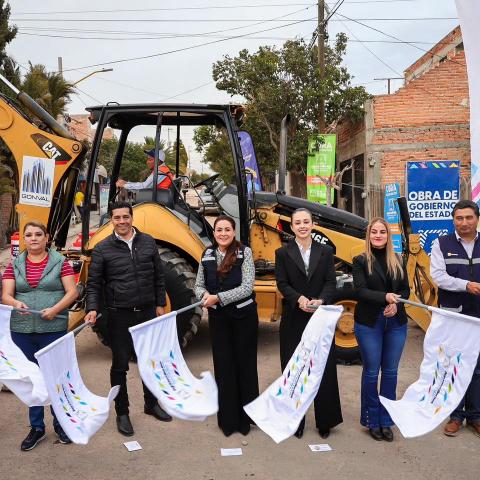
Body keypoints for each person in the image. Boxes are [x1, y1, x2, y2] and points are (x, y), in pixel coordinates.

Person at [84, 201, 172, 436]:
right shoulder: (103, 249)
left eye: (126, 217)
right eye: (117, 218)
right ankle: (122, 412)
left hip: (146, 312)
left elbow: (158, 276)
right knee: (120, 365)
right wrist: (92, 307)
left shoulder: (148, 242)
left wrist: (160, 303)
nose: (122, 221)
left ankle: (151, 404)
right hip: (118, 314)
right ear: (111, 220)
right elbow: (93, 284)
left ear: (132, 218)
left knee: (149, 362)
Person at [1, 221, 78, 451]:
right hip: (22, 330)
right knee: (32, 379)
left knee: (55, 377)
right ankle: (36, 428)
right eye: (29, 235)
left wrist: (55, 310)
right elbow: (6, 295)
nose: (33, 238)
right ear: (24, 239)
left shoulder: (60, 262)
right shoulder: (14, 265)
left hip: (52, 329)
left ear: (47, 237)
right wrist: (16, 303)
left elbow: (72, 291)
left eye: (38, 234)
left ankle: (61, 423)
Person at [275, 208, 342, 439]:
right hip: (294, 317)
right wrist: (298, 299)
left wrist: (321, 300)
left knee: (322, 367)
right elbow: (282, 284)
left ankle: (326, 420)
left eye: (306, 222)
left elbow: (331, 283)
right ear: (291, 227)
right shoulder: (282, 253)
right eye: (298, 222)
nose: (302, 226)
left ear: (312, 225)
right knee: (294, 369)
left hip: (320, 317)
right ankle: (296, 420)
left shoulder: (325, 252)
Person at [194, 215, 259, 436]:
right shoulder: (207, 254)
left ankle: (246, 419)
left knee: (245, 365)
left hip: (244, 318)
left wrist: (218, 298)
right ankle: (228, 420)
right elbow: (198, 285)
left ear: (234, 232)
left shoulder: (245, 253)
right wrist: (203, 295)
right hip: (219, 320)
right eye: (219, 230)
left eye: (227, 229)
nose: (223, 233)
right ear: (214, 233)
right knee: (224, 367)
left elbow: (247, 287)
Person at [352, 217, 409, 442]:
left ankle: (386, 421)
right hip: (369, 323)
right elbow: (359, 291)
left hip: (396, 323)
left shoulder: (398, 259)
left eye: (382, 232)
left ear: (388, 235)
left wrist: (396, 303)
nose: (378, 235)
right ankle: (371, 419)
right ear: (369, 235)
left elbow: (405, 290)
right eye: (374, 232)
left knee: (391, 373)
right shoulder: (360, 260)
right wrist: (384, 298)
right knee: (372, 372)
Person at [430, 199, 480, 438]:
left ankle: (476, 415)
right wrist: (466, 285)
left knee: (478, 367)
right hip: (454, 314)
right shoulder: (441, 244)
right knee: (454, 365)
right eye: (459, 218)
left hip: (479, 316)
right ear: (453, 221)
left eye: (468, 217)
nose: (464, 223)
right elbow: (438, 276)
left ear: (477, 219)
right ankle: (455, 416)